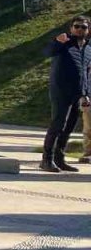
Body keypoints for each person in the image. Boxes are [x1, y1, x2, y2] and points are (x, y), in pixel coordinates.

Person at [41, 15, 91, 172]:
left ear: (88, 30)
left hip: (78, 93)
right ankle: (46, 160)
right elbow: (47, 52)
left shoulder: (89, 48)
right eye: (76, 26)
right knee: (58, 124)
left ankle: (59, 158)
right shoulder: (64, 43)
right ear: (71, 28)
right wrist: (56, 41)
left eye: (83, 27)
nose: (79, 29)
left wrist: (86, 93)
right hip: (60, 91)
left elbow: (87, 72)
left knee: (69, 127)